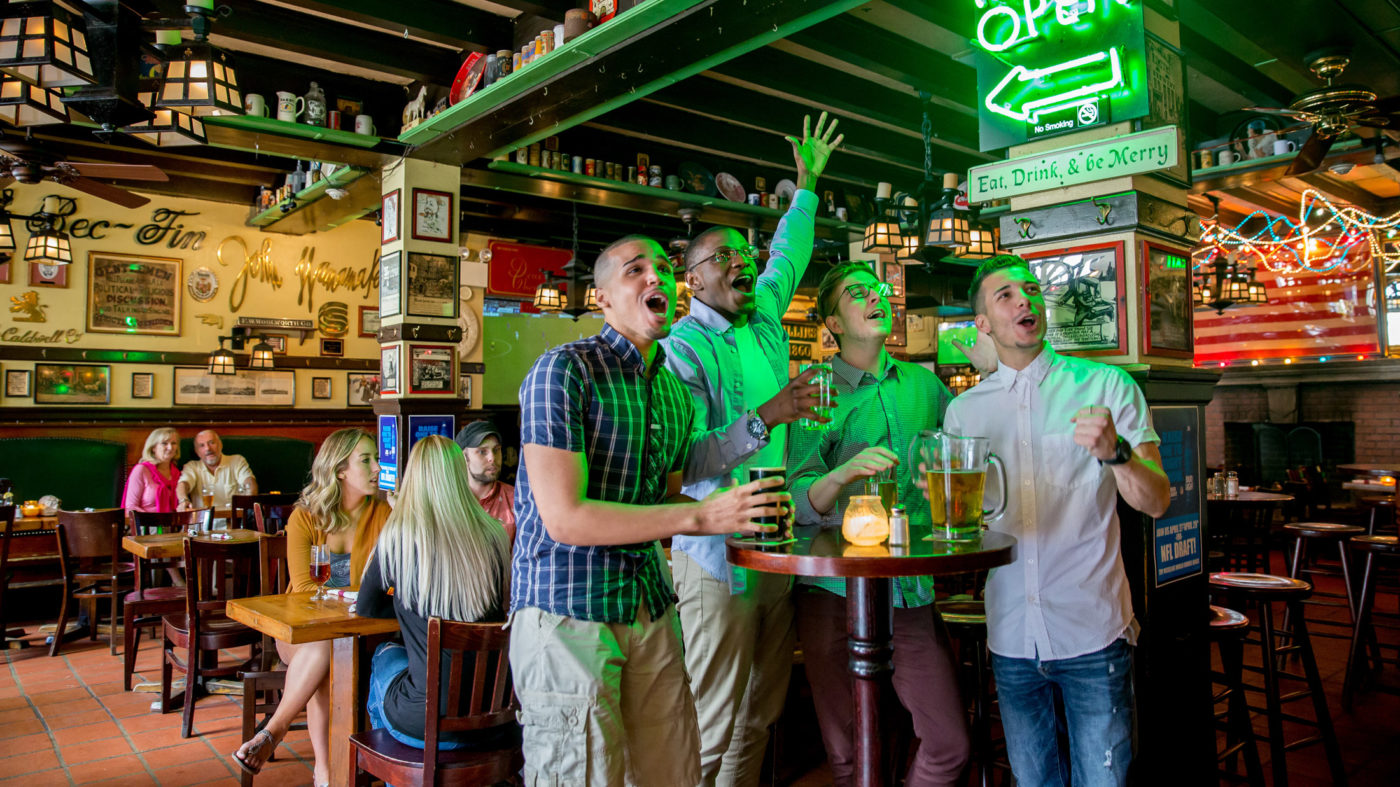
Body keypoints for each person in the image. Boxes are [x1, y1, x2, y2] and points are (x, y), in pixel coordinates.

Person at [509, 232, 790, 786]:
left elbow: (676, 478)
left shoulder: (670, 392)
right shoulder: (564, 371)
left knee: (672, 774)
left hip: (649, 605)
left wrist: (738, 492)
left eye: (662, 266)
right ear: (602, 299)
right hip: (569, 610)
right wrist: (702, 517)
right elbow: (566, 518)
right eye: (635, 270)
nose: (655, 276)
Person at [662, 111, 842, 786]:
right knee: (711, 717)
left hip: (776, 545)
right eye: (722, 257)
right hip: (715, 559)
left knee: (760, 714)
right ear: (694, 281)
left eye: (743, 252)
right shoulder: (684, 347)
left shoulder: (764, 316)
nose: (740, 263)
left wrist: (808, 184)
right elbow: (688, 464)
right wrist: (770, 413)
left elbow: (788, 251)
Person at [944, 255, 1170, 786]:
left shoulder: (1106, 387)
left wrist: (1118, 456)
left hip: (1092, 628)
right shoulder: (964, 413)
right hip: (1011, 635)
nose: (1025, 300)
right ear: (983, 324)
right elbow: (964, 526)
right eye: (1005, 295)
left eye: (1031, 290)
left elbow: (1157, 501)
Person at [788, 260, 969, 787]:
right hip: (829, 592)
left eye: (877, 289)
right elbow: (799, 498)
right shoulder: (816, 391)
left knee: (948, 746)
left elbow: (966, 452)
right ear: (834, 324)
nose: (875, 297)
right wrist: (843, 472)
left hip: (908, 590)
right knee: (847, 757)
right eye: (855, 294)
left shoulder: (926, 385)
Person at [232, 428, 391, 784]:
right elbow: (303, 588)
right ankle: (322, 766)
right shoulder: (304, 518)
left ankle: (287, 742)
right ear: (339, 470)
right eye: (366, 460)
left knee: (331, 655)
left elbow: (392, 581)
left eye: (377, 459)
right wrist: (356, 594)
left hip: (360, 633)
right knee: (326, 646)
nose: (378, 468)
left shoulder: (384, 513)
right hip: (303, 632)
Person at [358, 435, 518, 751]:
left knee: (385, 655)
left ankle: (397, 770)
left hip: (427, 724)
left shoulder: (399, 536)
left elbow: (367, 605)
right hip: (497, 714)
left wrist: (414, 608)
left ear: (412, 478)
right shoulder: (494, 533)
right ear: (460, 475)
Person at [453, 420, 516, 543]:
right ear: (464, 457)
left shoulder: (516, 499)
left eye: (496, 450)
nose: (492, 458)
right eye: (482, 452)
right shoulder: (450, 499)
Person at [176, 430, 257, 512]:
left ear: (220, 445)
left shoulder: (237, 461)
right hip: (202, 523)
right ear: (197, 452)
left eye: (211, 443)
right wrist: (183, 500)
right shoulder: (192, 467)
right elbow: (183, 484)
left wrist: (249, 504)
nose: (208, 448)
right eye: (202, 445)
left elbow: (249, 481)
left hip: (233, 523)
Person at [124, 427, 182, 512]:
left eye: (173, 443)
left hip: (173, 523)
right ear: (153, 448)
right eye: (164, 443)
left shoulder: (177, 473)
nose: (170, 447)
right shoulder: (141, 470)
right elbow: (131, 507)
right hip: (146, 523)